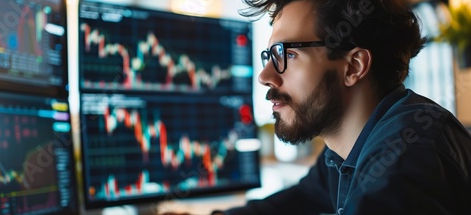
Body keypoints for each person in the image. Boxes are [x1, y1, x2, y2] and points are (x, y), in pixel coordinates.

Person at [164, 0, 471, 214]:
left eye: (286, 54)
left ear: (353, 66)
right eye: (269, 56)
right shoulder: (350, 149)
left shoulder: (407, 159)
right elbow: (302, 199)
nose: (265, 76)